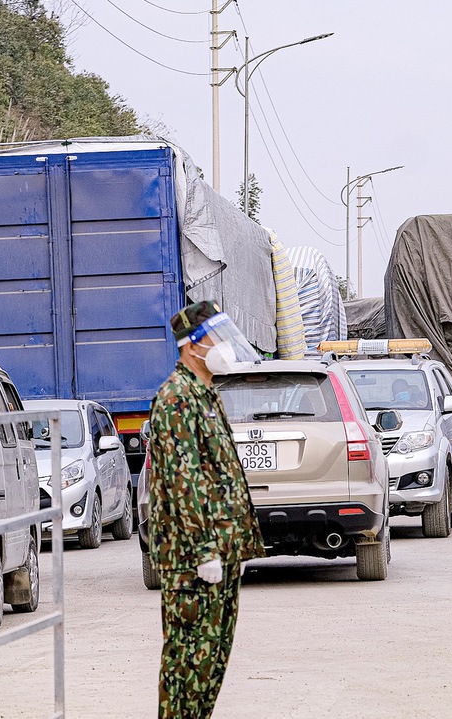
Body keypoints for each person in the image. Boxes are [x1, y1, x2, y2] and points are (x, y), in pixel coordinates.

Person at [148, 300, 265, 719]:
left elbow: (219, 477)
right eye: (217, 337)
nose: (225, 346)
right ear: (192, 346)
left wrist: (232, 546)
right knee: (187, 664)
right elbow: (186, 483)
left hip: (221, 553)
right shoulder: (177, 399)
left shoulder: (205, 394)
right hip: (193, 560)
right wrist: (204, 552)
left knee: (212, 661)